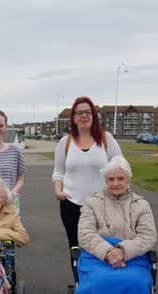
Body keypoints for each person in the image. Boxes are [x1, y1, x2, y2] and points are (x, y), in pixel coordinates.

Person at [76, 156, 157, 294]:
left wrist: (123, 251)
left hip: (133, 257)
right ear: (105, 180)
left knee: (136, 286)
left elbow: (148, 237)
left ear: (128, 179)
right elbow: (84, 235)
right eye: (111, 179)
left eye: (120, 178)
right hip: (97, 257)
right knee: (101, 286)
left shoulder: (141, 205)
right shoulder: (92, 202)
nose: (115, 183)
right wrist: (108, 252)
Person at [52, 96, 122, 248]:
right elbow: (58, 172)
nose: (84, 116)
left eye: (88, 112)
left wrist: (116, 191)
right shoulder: (65, 143)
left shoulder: (106, 139)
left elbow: (121, 169)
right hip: (71, 205)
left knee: (102, 247)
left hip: (102, 205)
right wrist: (58, 191)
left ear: (94, 116)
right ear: (74, 118)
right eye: (79, 113)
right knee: (76, 247)